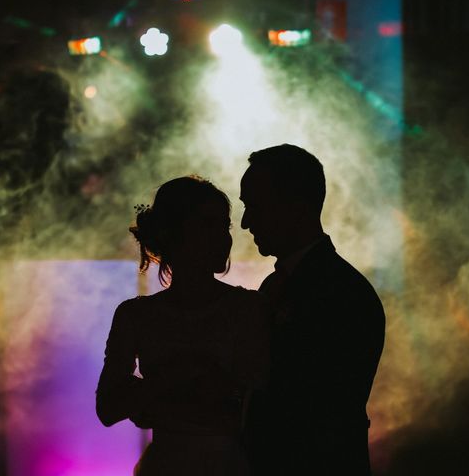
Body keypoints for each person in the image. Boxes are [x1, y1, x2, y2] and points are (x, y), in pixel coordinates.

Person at [96, 176, 269, 476]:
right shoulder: (135, 314)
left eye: (224, 225)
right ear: (173, 232)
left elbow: (254, 409)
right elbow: (108, 408)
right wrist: (186, 377)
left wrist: (151, 398)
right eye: (207, 224)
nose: (224, 237)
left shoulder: (249, 308)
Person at [239, 144, 386, 475]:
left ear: (296, 207)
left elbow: (315, 406)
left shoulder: (344, 294)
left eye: (254, 207)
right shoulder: (279, 286)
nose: (246, 222)